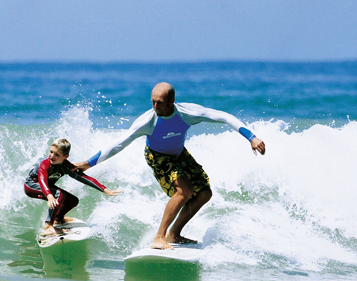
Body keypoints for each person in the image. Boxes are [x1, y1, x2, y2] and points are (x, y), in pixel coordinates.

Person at [75, 82, 266, 250]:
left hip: (179, 153)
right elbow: (118, 144)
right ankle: (158, 237)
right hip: (157, 155)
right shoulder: (147, 121)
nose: (155, 106)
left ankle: (173, 234)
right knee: (184, 191)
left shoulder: (188, 113)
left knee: (204, 194)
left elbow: (224, 116)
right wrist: (87, 164)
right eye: (153, 102)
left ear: (172, 101)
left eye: (160, 102)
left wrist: (252, 137)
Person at [25, 138, 122, 235]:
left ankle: (58, 219)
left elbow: (83, 178)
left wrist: (105, 189)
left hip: (47, 187)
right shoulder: (45, 163)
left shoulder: (66, 166)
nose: (52, 156)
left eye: (57, 154)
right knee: (59, 194)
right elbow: (42, 180)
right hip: (31, 186)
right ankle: (48, 226)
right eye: (51, 152)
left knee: (72, 200)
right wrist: (49, 195)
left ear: (65, 156)